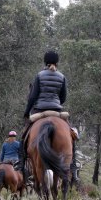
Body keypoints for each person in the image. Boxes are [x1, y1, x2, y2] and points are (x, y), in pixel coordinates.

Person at [21, 50, 79, 182]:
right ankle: (73, 167)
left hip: (40, 111)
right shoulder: (62, 77)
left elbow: (33, 96)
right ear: (57, 62)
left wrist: (27, 112)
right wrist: (55, 101)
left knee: (24, 135)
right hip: (57, 111)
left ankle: (21, 163)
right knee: (72, 135)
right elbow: (63, 97)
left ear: (45, 62)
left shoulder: (39, 75)